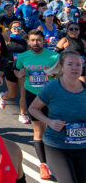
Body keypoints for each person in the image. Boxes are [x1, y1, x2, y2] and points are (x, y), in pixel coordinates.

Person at [28, 50, 86, 183]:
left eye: (78, 64)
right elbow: (33, 108)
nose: (75, 68)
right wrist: (50, 122)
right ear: (62, 67)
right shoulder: (52, 88)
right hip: (57, 146)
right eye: (70, 64)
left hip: (82, 147)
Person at [15, 29, 59, 178]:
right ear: (28, 42)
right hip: (32, 95)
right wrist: (19, 74)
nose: (35, 43)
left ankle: (56, 161)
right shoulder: (23, 57)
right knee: (39, 130)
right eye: (32, 40)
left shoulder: (54, 56)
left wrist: (55, 74)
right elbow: (16, 71)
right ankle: (43, 165)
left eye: (38, 40)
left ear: (43, 41)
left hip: (51, 96)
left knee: (53, 130)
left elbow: (62, 73)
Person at [1, 21, 29, 122]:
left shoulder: (25, 41)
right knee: (12, 94)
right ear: (10, 29)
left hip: (21, 68)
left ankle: (22, 114)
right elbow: (1, 32)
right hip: (9, 66)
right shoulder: (8, 39)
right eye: (14, 28)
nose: (17, 29)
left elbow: (29, 53)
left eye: (18, 27)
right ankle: (3, 97)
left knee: (23, 92)